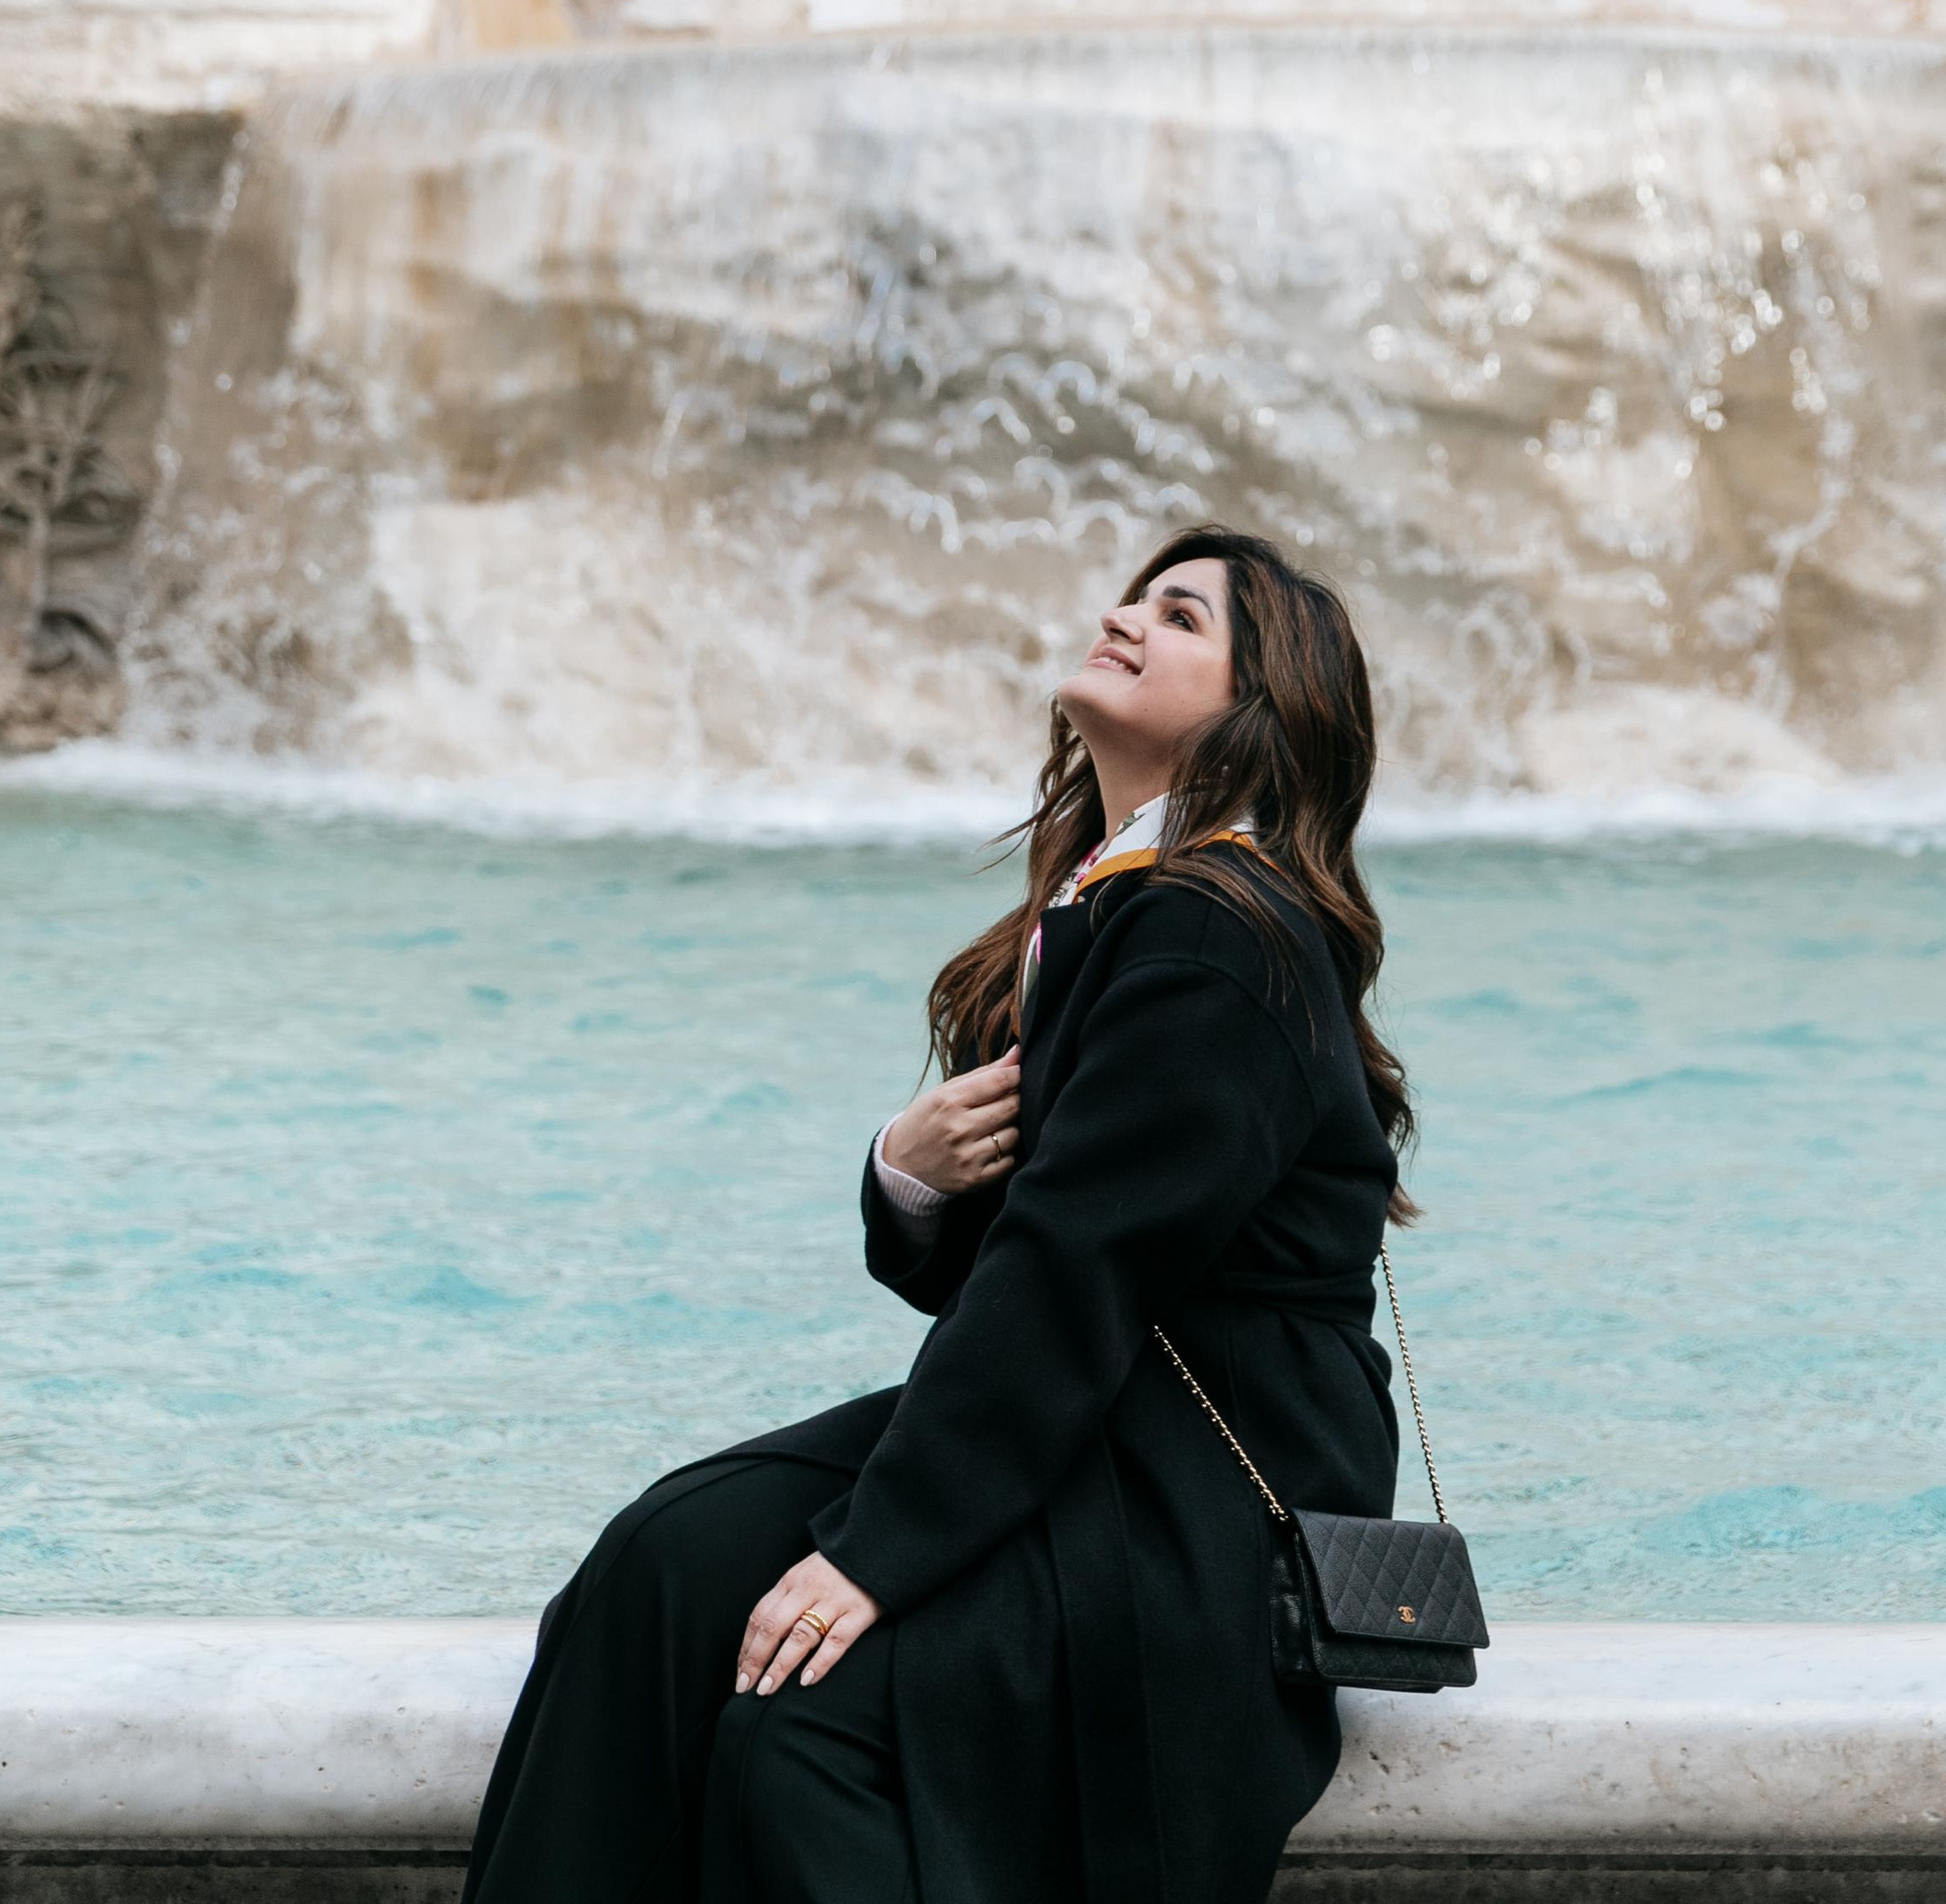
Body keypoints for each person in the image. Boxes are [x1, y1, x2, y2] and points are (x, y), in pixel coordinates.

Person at [461, 525, 1412, 1904]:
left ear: (1263, 714)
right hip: (1097, 1420)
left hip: (1203, 1485)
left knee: (818, 1730)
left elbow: (1073, 1271)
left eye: (1183, 617)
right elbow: (1013, 1269)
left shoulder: (1223, 931)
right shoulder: (1113, 911)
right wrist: (906, 1173)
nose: (1126, 618)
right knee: (663, 1570)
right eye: (1135, 598)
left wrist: (874, 1558)